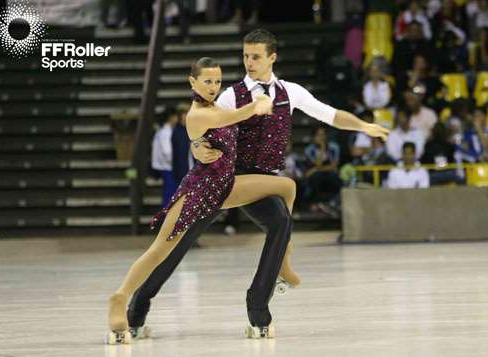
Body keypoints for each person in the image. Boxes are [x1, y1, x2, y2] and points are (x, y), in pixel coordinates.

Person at [125, 29, 389, 341]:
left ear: (272, 58)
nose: (249, 62)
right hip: (223, 178)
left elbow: (329, 114)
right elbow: (204, 128)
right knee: (179, 243)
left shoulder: (291, 92)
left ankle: (258, 306)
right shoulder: (229, 95)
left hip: (261, 181)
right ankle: (137, 309)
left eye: (256, 57)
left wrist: (363, 125)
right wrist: (196, 147)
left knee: (280, 221)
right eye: (245, 56)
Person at [107, 57, 297, 343]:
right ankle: (120, 298)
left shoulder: (216, 105)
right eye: (207, 81)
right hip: (201, 191)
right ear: (192, 82)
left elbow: (229, 125)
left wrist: (200, 144)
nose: (213, 86)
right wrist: (255, 106)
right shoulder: (197, 114)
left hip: (228, 186)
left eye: (217, 81)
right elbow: (230, 119)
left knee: (286, 186)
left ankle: (284, 264)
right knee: (159, 250)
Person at [151, 108, 179, 207]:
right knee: (170, 194)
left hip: (164, 166)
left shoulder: (162, 131)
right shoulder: (166, 133)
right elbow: (167, 153)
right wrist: (177, 162)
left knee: (169, 193)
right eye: (176, 116)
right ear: (171, 118)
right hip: (168, 167)